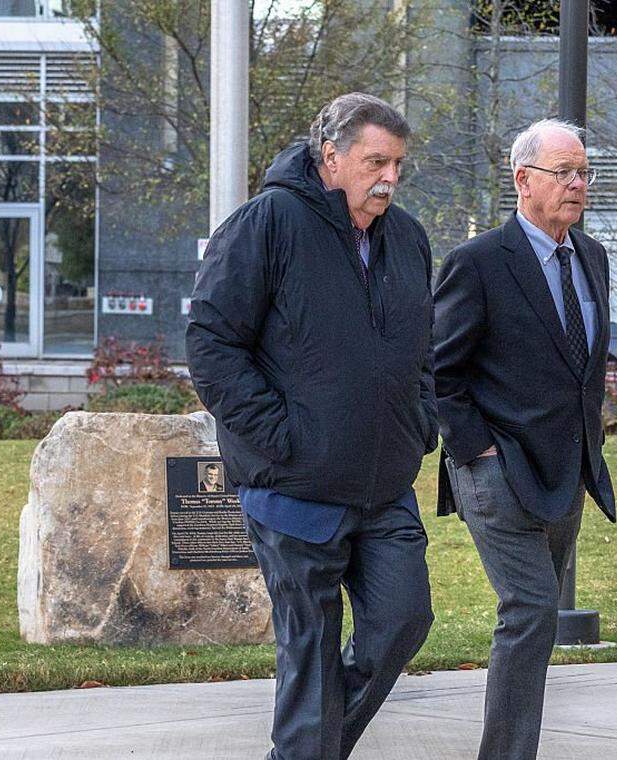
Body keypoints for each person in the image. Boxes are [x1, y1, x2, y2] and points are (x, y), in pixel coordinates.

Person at [186, 92, 438, 760]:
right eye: (375, 160)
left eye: (397, 164)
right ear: (330, 155)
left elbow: (423, 350)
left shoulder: (408, 239)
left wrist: (421, 421)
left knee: (403, 619)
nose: (388, 176)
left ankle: (306, 750)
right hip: (293, 487)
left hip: (383, 482)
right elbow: (211, 345)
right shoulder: (266, 223)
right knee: (312, 650)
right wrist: (285, 438)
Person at [432, 118, 616, 760]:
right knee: (533, 610)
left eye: (583, 172)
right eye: (563, 172)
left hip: (567, 470)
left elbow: (581, 367)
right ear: (523, 180)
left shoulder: (591, 257)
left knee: (535, 622)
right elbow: (438, 370)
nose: (577, 184)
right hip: (496, 469)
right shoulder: (479, 263)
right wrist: (476, 451)